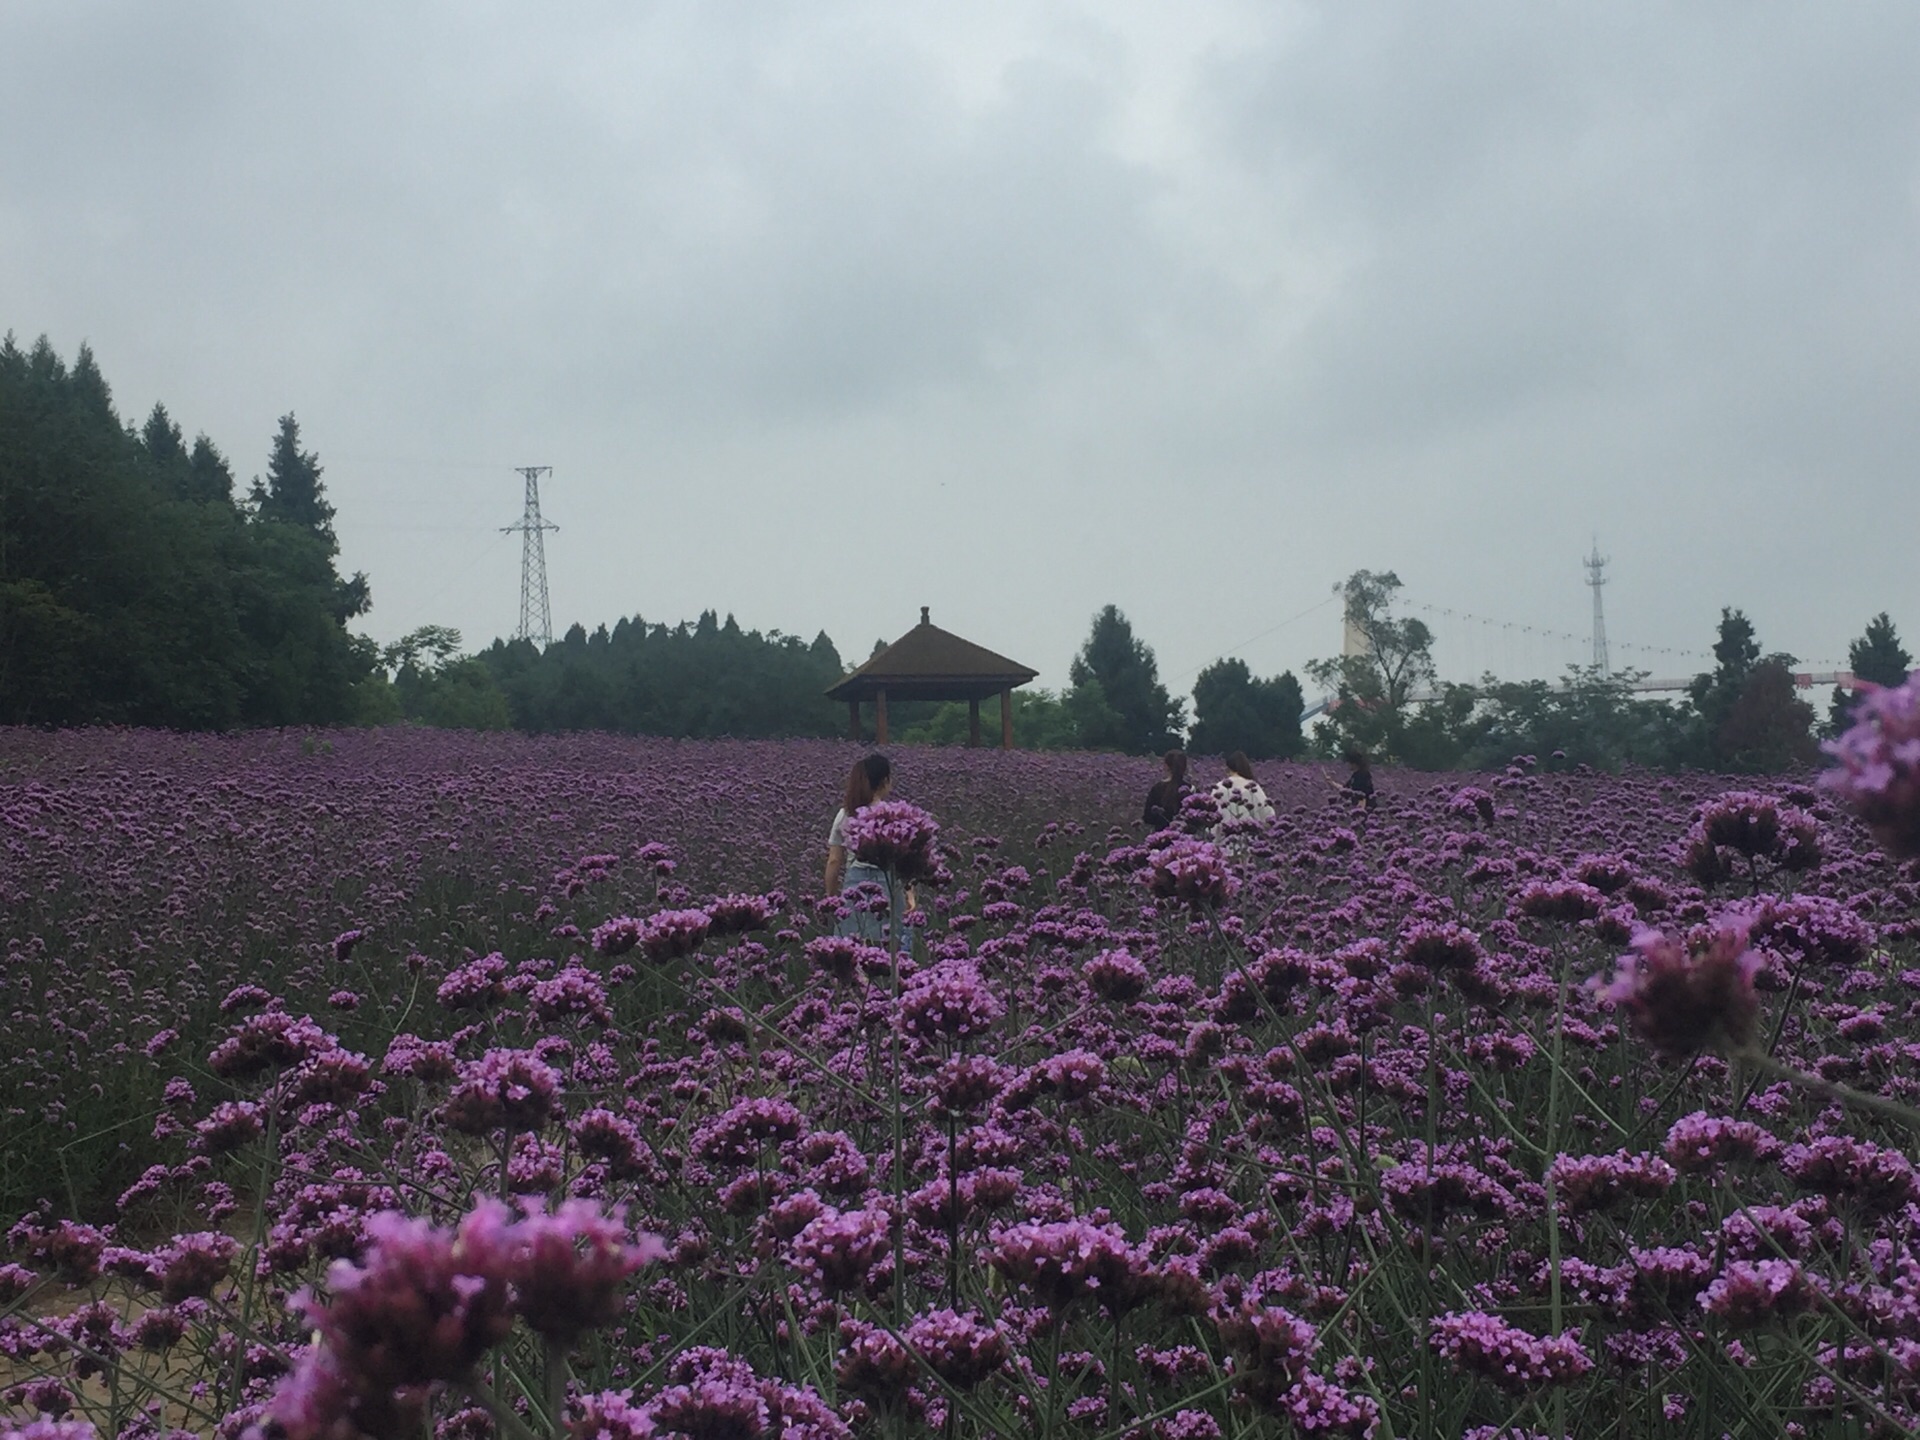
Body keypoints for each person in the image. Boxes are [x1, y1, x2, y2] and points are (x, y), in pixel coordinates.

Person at [824, 754, 915, 939]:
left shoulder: (845, 814)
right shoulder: (893, 815)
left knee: (850, 944)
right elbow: (904, 861)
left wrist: (830, 897)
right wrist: (910, 894)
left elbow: (834, 861)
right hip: (888, 883)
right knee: (887, 944)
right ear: (884, 781)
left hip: (854, 882)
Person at [1211, 751, 1275, 831]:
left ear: (1228, 768)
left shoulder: (1219, 787)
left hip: (1224, 838)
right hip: (1249, 839)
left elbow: (1212, 817)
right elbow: (1268, 816)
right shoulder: (1253, 787)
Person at [1142, 749, 1190, 830]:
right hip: (1185, 838)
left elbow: (1147, 817)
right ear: (1185, 767)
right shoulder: (1191, 790)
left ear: (1166, 766)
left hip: (1161, 837)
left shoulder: (1157, 788)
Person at [1329, 746, 1377, 812]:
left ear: (1354, 764)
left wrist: (1361, 810)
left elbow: (1363, 794)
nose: (1347, 765)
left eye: (1348, 763)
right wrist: (1331, 782)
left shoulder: (1363, 775)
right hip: (1356, 807)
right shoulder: (1355, 775)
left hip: (1365, 809)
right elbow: (1345, 789)